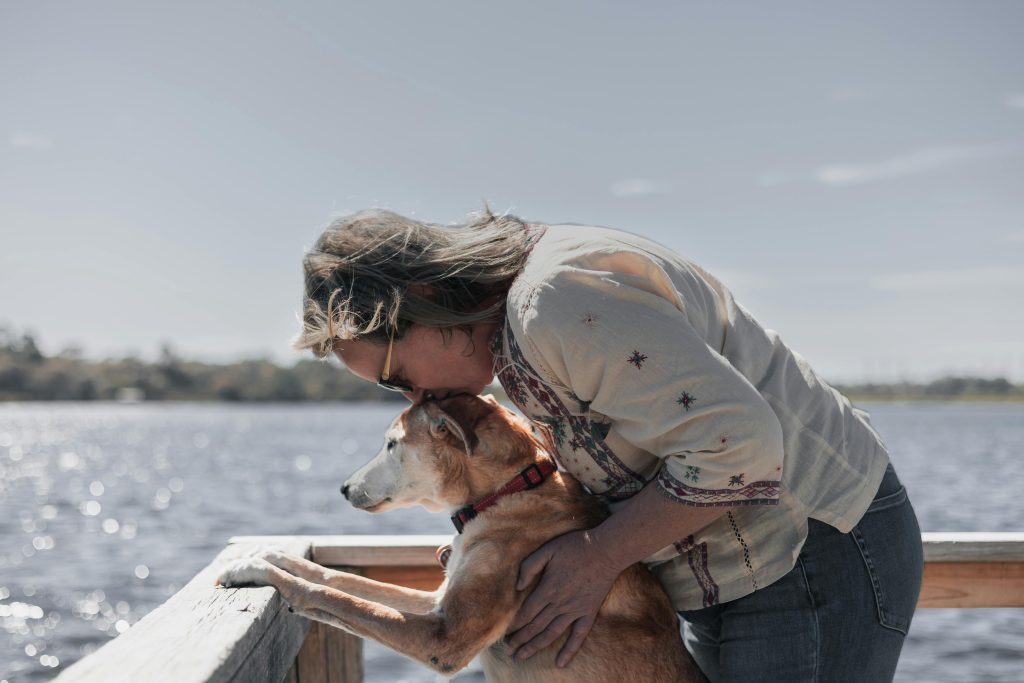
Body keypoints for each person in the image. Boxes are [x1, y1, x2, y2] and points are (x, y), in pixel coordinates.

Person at [294, 207, 924, 682]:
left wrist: (596, 557)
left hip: (809, 551)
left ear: (425, 300)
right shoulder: (514, 321)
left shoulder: (556, 304)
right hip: (728, 569)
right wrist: (504, 549)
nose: (414, 400)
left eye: (397, 378)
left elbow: (737, 447)